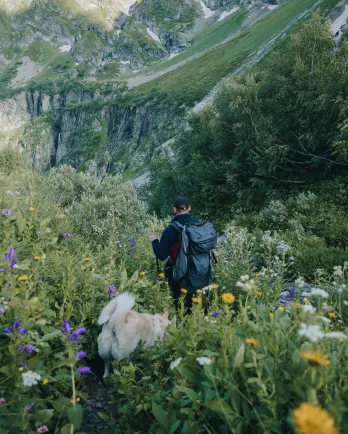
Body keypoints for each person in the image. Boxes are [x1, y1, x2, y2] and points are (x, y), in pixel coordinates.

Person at [149, 197, 198, 311]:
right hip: (200, 271)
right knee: (196, 305)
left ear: (174, 209)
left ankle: (181, 325)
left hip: (179, 275)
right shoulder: (199, 225)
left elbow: (161, 255)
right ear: (189, 208)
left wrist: (155, 241)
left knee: (180, 307)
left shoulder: (170, 230)